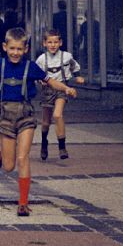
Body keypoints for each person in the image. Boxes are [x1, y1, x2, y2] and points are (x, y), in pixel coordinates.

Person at [0, 27, 76, 217]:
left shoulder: (31, 67)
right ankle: (2, 155)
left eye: (19, 49)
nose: (15, 53)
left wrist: (66, 88)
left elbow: (50, 81)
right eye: (12, 48)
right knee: (9, 166)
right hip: (5, 116)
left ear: (26, 49)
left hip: (26, 115)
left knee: (23, 158)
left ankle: (23, 203)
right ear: (5, 47)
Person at [35, 28, 85, 161]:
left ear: (60, 43)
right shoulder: (41, 59)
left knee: (57, 115)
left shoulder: (67, 57)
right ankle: (44, 143)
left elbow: (75, 67)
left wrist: (78, 76)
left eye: (55, 42)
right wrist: (40, 80)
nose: (53, 45)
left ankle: (62, 147)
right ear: (44, 43)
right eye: (50, 42)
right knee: (46, 122)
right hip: (47, 90)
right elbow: (36, 74)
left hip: (62, 89)